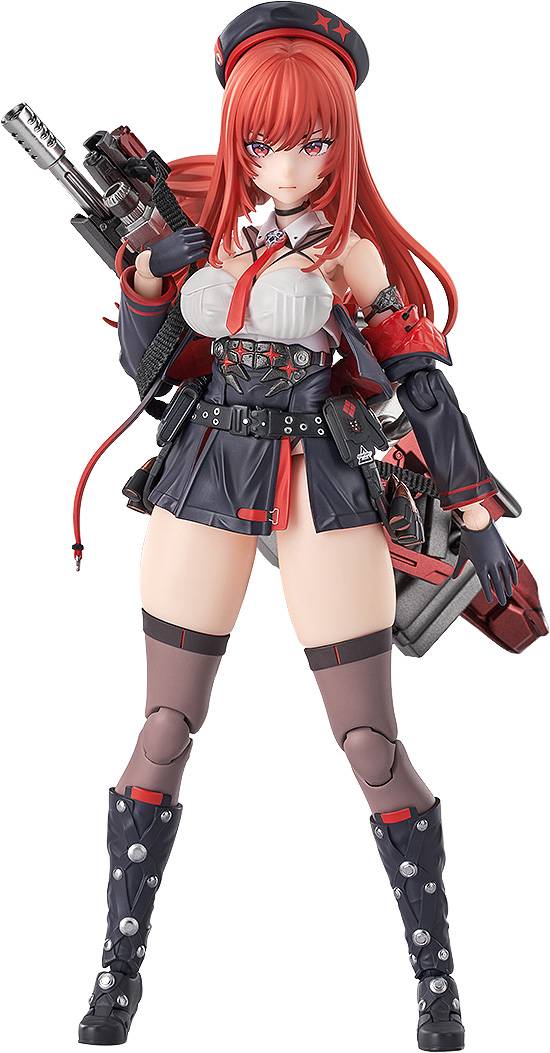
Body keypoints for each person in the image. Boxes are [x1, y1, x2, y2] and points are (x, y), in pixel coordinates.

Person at [78, 4, 517, 1049]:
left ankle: (438, 983)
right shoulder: (209, 235)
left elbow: (425, 391)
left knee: (368, 741)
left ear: (341, 142)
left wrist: (475, 512)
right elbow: (145, 370)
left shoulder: (351, 257)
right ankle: (115, 972)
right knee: (163, 726)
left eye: (310, 141)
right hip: (202, 472)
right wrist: (150, 282)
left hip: (323, 480)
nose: (283, 166)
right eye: (260, 142)